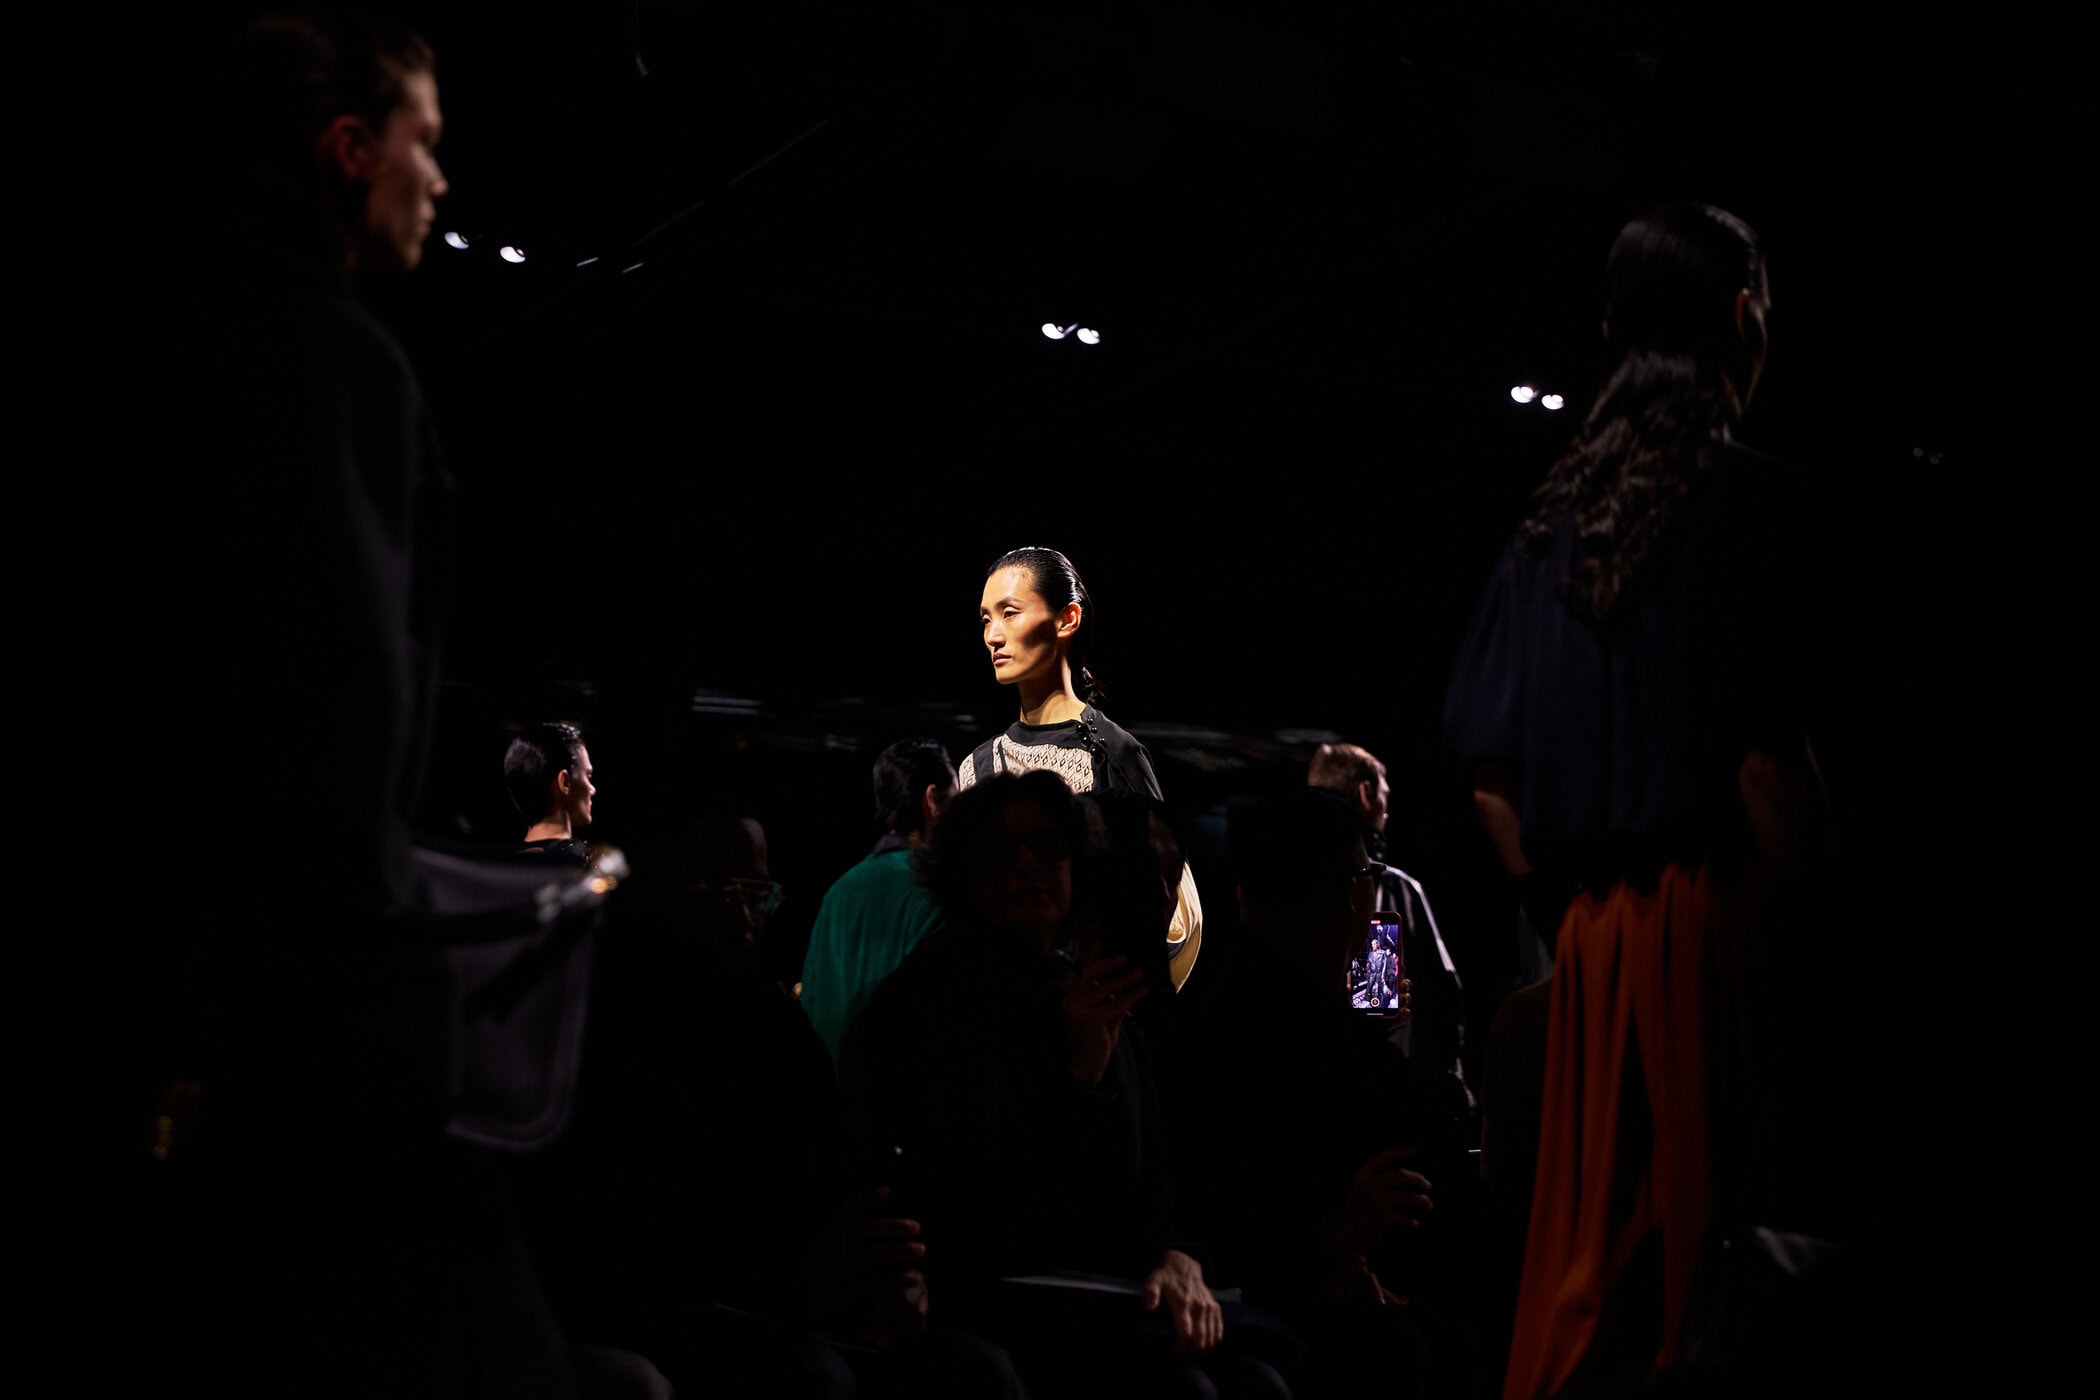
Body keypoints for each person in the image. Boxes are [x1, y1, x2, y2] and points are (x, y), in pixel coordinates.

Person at [128, 10, 579, 1396]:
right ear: (348, 149)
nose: (442, 181)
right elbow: (341, 700)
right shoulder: (334, 365)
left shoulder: (173, 343)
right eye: (425, 144)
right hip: (319, 1008)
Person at [1444, 203, 1842, 1398]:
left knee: (1593, 1280)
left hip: (1595, 947)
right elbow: (1767, 771)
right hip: (1719, 932)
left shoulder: (1547, 532)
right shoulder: (1747, 502)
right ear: (1740, 317)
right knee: (1721, 1272)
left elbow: (1487, 778)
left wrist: (1578, 910)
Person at [843, 773, 1284, 1399]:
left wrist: (1176, 1256)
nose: (1028, 865)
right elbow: (979, 1204)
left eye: (1048, 847)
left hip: (1102, 1292)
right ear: (964, 869)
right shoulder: (925, 1005)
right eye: (1002, 849)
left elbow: (1151, 1184)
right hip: (988, 1297)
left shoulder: (1092, 995)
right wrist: (1077, 1079)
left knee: (1257, 1378)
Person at [959, 546, 1205, 990]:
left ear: (1066, 619)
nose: (992, 636)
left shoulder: (1112, 752)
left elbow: (1174, 909)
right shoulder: (974, 767)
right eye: (985, 619)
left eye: (1009, 613)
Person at [1307, 742, 1473, 1127]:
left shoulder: (1285, 885)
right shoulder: (1394, 889)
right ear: (1365, 794)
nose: (1387, 807)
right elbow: (1445, 999)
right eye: (1384, 794)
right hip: (1394, 1097)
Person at [799, 737, 956, 1063]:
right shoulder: (937, 888)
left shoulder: (838, 891)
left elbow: (810, 1005)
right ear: (933, 801)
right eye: (956, 800)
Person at [505, 720, 597, 865]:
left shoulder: (504, 869)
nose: (592, 789)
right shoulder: (586, 865)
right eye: (588, 776)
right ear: (565, 782)